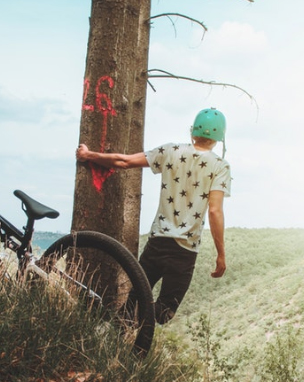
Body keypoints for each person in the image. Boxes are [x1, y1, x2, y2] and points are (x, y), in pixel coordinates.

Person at [76, 108, 232, 324]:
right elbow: (215, 211)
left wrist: (88, 155)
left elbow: (124, 161)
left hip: (158, 242)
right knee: (164, 312)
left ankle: (109, 333)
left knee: (133, 304)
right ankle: (119, 336)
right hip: (185, 251)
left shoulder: (171, 151)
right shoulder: (220, 166)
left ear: (193, 132)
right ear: (219, 139)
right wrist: (221, 254)